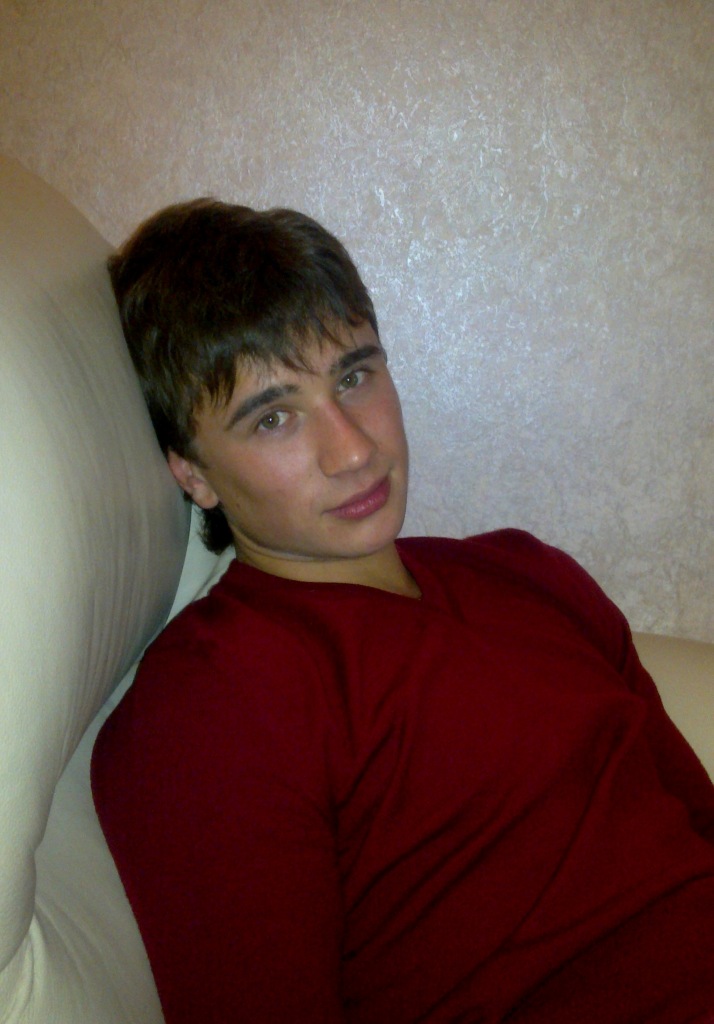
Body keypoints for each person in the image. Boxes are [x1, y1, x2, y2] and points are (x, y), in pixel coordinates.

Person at [91, 199, 714, 1024]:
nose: (354, 448)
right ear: (192, 474)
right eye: (273, 417)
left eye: (354, 375)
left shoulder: (529, 573)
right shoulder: (211, 705)